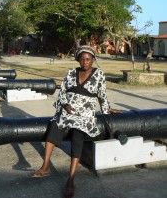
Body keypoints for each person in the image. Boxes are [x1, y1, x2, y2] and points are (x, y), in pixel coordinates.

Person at [32, 45, 121, 198]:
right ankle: (45, 165)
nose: (85, 62)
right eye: (82, 59)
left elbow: (102, 95)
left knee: (77, 136)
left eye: (88, 59)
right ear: (78, 60)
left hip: (84, 113)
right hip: (68, 109)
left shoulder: (99, 74)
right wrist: (65, 105)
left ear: (93, 59)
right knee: (55, 126)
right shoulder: (71, 73)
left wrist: (107, 109)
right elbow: (63, 92)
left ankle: (71, 179)